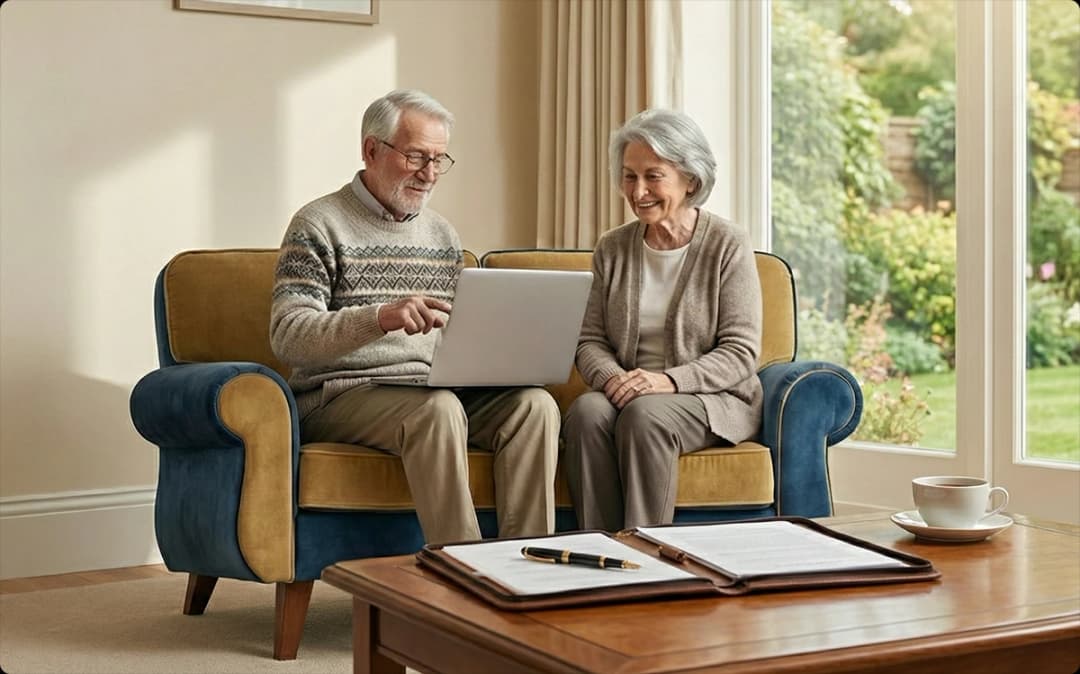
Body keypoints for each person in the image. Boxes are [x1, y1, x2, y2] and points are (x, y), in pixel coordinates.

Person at [270, 89, 559, 545]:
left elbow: (458, 337)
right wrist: (380, 317)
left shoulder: (442, 234)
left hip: (428, 389)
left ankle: (529, 565)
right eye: (416, 157)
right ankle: (464, 569)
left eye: (439, 160)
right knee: (437, 410)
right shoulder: (317, 224)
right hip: (341, 396)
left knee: (533, 406)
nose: (429, 175)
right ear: (371, 150)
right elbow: (289, 337)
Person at [561, 109, 763, 532]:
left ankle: (647, 552)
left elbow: (741, 352)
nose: (638, 191)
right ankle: (599, 549)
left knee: (646, 415)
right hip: (632, 391)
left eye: (653, 176)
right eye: (629, 176)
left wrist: (667, 381)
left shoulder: (727, 244)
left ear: (690, 179)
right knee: (586, 412)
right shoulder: (613, 247)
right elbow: (589, 340)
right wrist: (614, 377)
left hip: (711, 399)